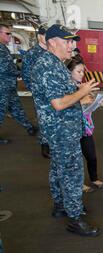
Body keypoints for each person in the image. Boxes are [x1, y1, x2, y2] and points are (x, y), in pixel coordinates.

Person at [31, 24, 101, 237]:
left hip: (61, 129)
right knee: (72, 172)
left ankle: (60, 205)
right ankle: (75, 218)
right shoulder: (48, 66)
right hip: (61, 130)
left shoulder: (55, 64)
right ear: (52, 43)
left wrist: (78, 92)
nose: (71, 45)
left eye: (72, 41)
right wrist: (83, 92)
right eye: (67, 41)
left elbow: (62, 96)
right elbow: (59, 103)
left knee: (58, 168)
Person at [67, 56, 103, 192]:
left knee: (91, 156)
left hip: (85, 128)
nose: (82, 74)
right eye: (78, 71)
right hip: (71, 130)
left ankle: (94, 178)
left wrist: (98, 101)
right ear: (69, 72)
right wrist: (81, 101)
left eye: (83, 71)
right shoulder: (64, 88)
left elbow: (92, 101)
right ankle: (79, 184)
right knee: (76, 160)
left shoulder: (83, 86)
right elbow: (62, 106)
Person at [0, 23, 38, 144]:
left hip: (8, 86)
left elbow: (9, 66)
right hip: (2, 87)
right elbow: (6, 68)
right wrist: (21, 72)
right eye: (7, 33)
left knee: (17, 108)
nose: (10, 36)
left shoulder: (3, 48)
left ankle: (29, 127)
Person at [22, 25, 51, 158]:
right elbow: (26, 76)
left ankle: (52, 143)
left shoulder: (52, 52)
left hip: (53, 92)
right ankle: (44, 146)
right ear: (40, 36)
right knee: (43, 119)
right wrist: (36, 92)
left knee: (53, 119)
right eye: (46, 35)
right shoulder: (32, 53)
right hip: (41, 95)